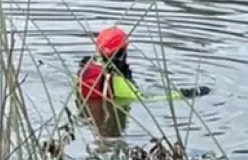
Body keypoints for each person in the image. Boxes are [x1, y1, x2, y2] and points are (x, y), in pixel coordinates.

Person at [76, 26, 208, 103]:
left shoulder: (83, 70)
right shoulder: (120, 84)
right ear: (123, 51)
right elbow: (147, 101)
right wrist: (185, 94)